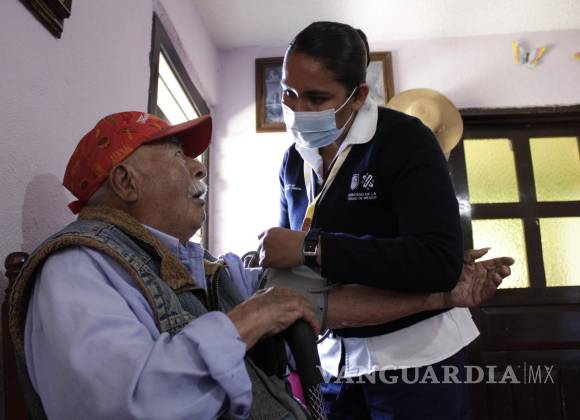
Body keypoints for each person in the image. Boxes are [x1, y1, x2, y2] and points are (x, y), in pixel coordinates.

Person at [9, 111, 510, 420]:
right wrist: (246, 320)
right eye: (176, 154)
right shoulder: (77, 268)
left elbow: (325, 303)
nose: (198, 165)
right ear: (125, 182)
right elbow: (122, 407)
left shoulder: (205, 268)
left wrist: (438, 289)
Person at [259, 21, 507, 419]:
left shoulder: (405, 140)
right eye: (288, 93)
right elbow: (297, 272)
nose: (297, 110)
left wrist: (313, 247)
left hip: (417, 359)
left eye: (317, 98)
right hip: (334, 363)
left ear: (358, 95)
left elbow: (437, 263)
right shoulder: (293, 161)